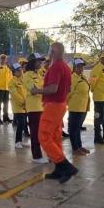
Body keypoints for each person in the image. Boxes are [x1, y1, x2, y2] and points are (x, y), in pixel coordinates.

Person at [37, 43, 77, 183]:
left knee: (44, 137)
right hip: (60, 105)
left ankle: (65, 166)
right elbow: (69, 88)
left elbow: (53, 88)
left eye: (49, 50)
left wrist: (37, 91)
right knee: (54, 137)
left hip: (53, 106)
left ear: (53, 52)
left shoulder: (55, 67)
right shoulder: (65, 67)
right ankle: (59, 170)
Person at [22, 53, 48, 163]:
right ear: (33, 62)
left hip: (41, 107)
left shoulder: (38, 74)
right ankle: (36, 156)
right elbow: (33, 90)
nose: (40, 63)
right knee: (35, 132)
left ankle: (43, 154)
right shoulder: (27, 75)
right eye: (38, 61)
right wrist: (49, 91)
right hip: (33, 108)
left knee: (42, 132)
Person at [67, 59, 91, 156]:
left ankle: (79, 146)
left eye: (82, 66)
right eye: (78, 66)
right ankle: (75, 148)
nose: (81, 68)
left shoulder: (83, 77)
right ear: (73, 68)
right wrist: (65, 103)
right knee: (74, 129)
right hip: (75, 107)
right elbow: (68, 93)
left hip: (83, 106)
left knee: (78, 128)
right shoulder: (72, 78)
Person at [8, 63, 27, 149]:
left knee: (23, 124)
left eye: (21, 70)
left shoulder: (22, 80)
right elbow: (15, 95)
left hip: (25, 105)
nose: (21, 71)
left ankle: (20, 141)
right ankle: (17, 142)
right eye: (18, 70)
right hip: (18, 106)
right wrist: (23, 102)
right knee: (21, 124)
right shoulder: (12, 82)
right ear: (14, 72)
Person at [0, 54, 13, 123]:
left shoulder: (8, 68)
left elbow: (11, 78)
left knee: (6, 104)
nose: (3, 60)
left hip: (7, 88)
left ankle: (5, 117)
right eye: (2, 59)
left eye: (4, 59)